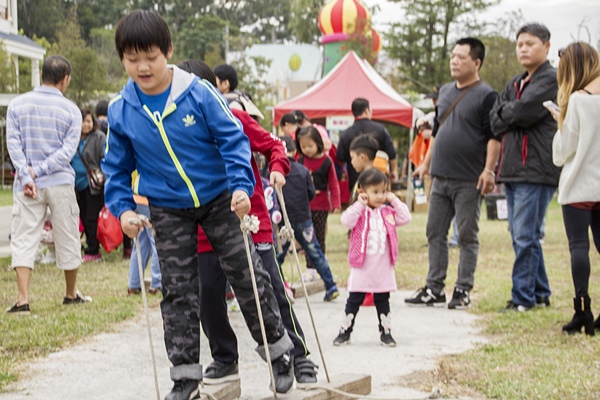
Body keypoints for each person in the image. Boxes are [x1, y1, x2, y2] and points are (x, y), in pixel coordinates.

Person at [102, 11, 293, 399]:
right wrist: (122, 209)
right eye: (132, 57)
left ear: (168, 52)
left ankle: (278, 354)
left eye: (151, 56)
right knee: (177, 290)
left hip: (220, 197)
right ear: (122, 58)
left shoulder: (198, 93)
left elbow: (234, 140)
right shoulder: (122, 110)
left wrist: (241, 186)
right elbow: (116, 169)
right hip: (168, 207)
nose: (142, 66)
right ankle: (185, 375)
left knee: (247, 275)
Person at [177, 59, 319, 387]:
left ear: (211, 91)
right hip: (204, 226)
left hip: (248, 219)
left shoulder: (234, 118)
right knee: (209, 294)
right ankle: (225, 357)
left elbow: (273, 146)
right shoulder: (174, 130)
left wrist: (279, 168)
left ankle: (299, 356)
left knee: (267, 288)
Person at [405, 37, 499, 310]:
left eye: (461, 57)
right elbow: (436, 132)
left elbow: (494, 137)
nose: (454, 61)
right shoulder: (445, 91)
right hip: (440, 176)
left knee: (467, 235)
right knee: (434, 232)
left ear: (477, 62)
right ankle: (434, 288)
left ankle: (463, 289)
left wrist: (489, 170)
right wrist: (424, 164)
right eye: (453, 56)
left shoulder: (486, 95)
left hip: (469, 179)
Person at [5, 55, 91, 315]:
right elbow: (67, 152)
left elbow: (13, 144)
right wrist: (39, 170)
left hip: (26, 185)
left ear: (41, 75)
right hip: (60, 182)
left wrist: (27, 174)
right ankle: (70, 293)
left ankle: (22, 299)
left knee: (24, 237)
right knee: (68, 235)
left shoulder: (17, 104)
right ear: (65, 79)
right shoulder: (71, 110)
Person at [490, 23, 560, 312]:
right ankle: (540, 291)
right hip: (512, 168)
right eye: (520, 44)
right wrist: (511, 111)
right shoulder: (516, 82)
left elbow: (525, 111)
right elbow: (495, 118)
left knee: (525, 235)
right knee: (520, 232)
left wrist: (510, 111)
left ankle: (522, 298)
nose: (523, 49)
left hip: (537, 169)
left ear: (546, 46)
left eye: (530, 44)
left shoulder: (552, 78)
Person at [551, 41, 600, 335]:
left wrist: (560, 122)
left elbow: (561, 153)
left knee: (579, 247)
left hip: (579, 185)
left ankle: (582, 309)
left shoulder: (577, 100)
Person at [334, 169, 412, 346]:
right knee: (354, 300)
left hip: (382, 267)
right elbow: (346, 220)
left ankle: (386, 332)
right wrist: (359, 205)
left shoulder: (387, 212)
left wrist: (393, 200)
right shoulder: (359, 212)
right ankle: (345, 330)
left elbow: (406, 218)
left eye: (383, 191)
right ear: (363, 192)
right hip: (362, 266)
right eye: (375, 192)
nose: (380, 196)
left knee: (383, 301)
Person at [276, 135, 339, 301]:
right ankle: (331, 285)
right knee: (315, 252)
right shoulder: (303, 170)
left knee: (277, 257)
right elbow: (311, 193)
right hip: (304, 219)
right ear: (295, 151)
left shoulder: (273, 171)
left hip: (283, 221)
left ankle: (279, 288)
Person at [296, 126, 341, 277]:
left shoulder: (327, 162)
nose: (307, 149)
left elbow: (333, 184)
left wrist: (336, 203)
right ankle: (310, 269)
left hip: (321, 205)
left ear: (318, 143)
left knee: (320, 237)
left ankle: (321, 269)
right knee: (308, 237)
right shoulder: (300, 161)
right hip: (304, 206)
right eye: (303, 146)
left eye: (310, 145)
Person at [337, 98, 398, 192]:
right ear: (366, 110)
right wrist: (394, 170)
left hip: (356, 182)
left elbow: (340, 157)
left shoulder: (345, 134)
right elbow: (391, 153)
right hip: (379, 182)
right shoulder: (381, 129)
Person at [71, 107, 106, 262]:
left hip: (92, 185)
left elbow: (105, 158)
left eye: (88, 121)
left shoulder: (98, 137)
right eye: (82, 121)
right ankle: (88, 246)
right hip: (76, 185)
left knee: (91, 217)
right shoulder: (72, 138)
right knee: (83, 218)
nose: (85, 125)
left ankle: (93, 250)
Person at [127, 172, 161, 295]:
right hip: (150, 197)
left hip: (137, 195)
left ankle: (134, 283)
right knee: (157, 241)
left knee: (142, 242)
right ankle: (157, 283)